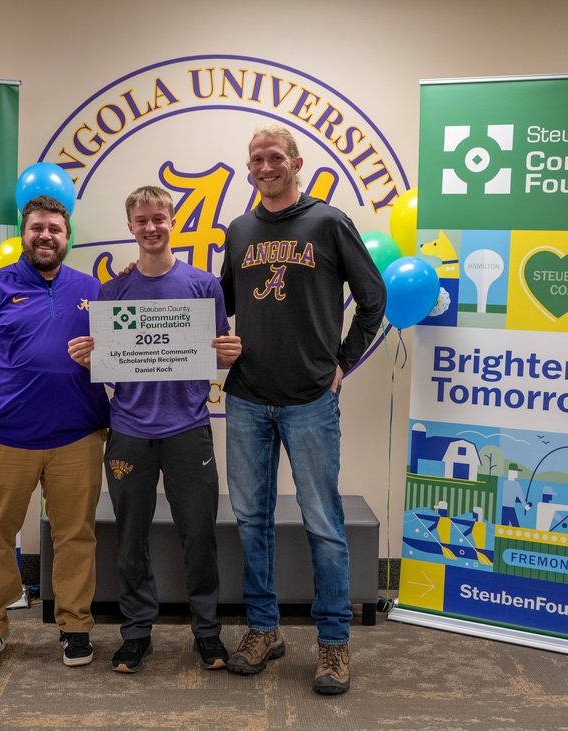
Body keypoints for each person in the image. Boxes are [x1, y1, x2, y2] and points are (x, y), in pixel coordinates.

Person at [218, 124, 386, 695]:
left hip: (311, 400)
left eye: (274, 157)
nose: (265, 166)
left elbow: (374, 299)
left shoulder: (329, 222)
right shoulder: (239, 231)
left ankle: (334, 643)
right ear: (249, 170)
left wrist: (343, 362)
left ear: (295, 162)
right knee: (251, 520)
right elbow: (223, 309)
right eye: (255, 159)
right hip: (245, 400)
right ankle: (264, 629)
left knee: (323, 524)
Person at [68, 185, 242, 674]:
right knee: (130, 539)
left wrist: (228, 354)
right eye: (142, 220)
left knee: (200, 536)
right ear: (130, 227)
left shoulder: (204, 286)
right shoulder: (113, 291)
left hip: (189, 427)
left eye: (159, 218)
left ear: (173, 221)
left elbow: (217, 350)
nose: (151, 227)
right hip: (128, 429)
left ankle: (207, 633)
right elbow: (108, 358)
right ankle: (135, 634)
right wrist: (87, 358)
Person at [0, 195, 110, 671]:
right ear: (24, 233)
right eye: (37, 227)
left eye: (55, 228)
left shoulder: (92, 289)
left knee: (76, 535)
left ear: (67, 235)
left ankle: (75, 626)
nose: (46, 236)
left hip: (76, 437)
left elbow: (118, 355)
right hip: (2, 438)